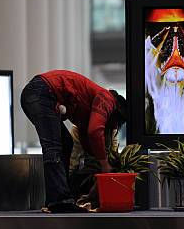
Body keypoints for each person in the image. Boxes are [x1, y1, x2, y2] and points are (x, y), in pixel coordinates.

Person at [21, 70, 127, 213]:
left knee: (66, 143)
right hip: (43, 91)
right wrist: (104, 163)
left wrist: (94, 190)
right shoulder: (108, 99)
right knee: (53, 147)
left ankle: (56, 200)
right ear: (116, 112)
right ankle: (60, 201)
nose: (113, 127)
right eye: (115, 124)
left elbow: (90, 143)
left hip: (37, 93)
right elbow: (95, 131)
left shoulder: (86, 116)